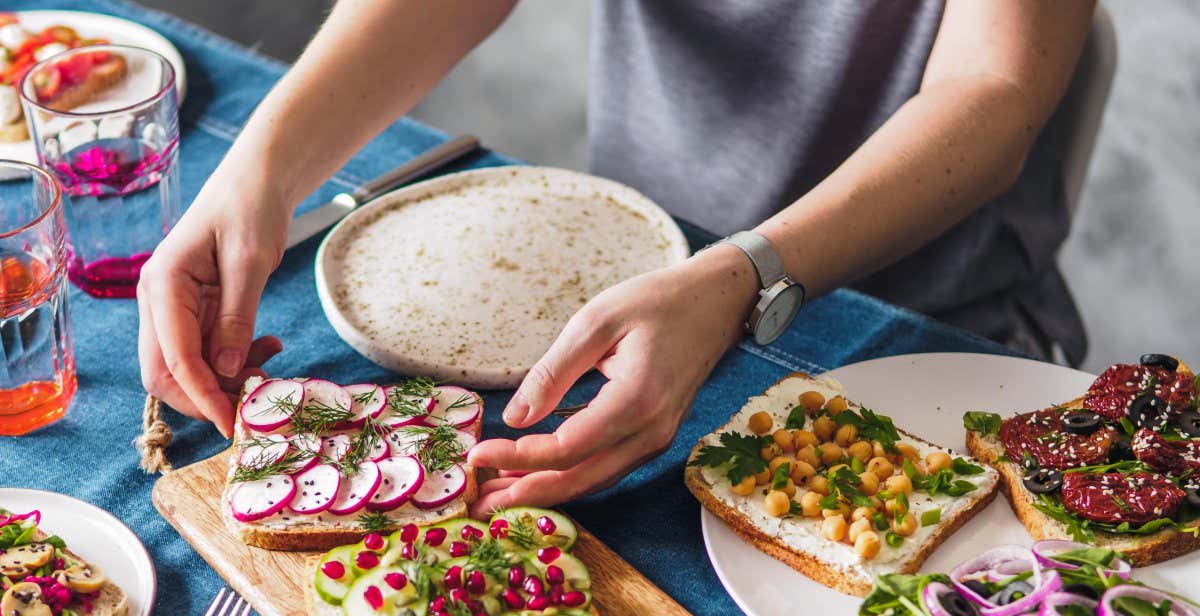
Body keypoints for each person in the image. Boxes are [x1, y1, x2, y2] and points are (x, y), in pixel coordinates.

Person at [137, 0, 1096, 514]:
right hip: (636, 298)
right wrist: (256, 178)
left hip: (921, 329)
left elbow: (993, 87)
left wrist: (744, 276)